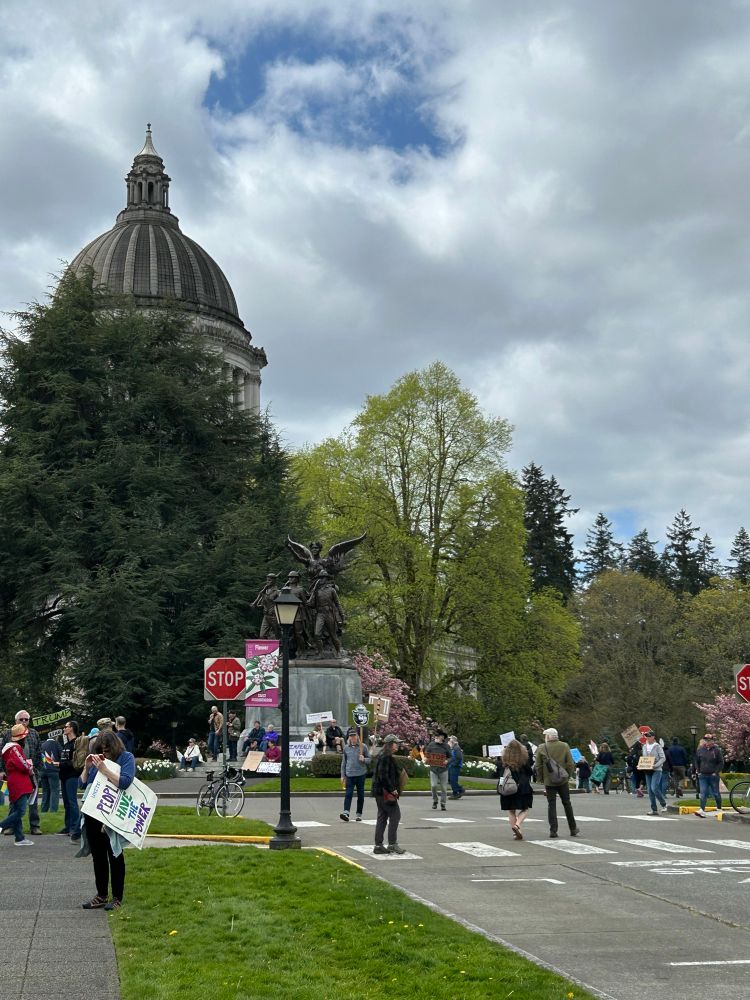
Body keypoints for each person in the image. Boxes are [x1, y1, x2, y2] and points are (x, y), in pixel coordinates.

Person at [79, 729, 135, 910]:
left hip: (113, 813)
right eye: (101, 750)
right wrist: (87, 769)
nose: (104, 753)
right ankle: (101, 894)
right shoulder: (98, 758)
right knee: (98, 855)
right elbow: (83, 783)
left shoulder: (126, 757)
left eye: (107, 750)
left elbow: (125, 782)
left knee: (115, 854)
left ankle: (117, 897)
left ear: (114, 746)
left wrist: (104, 769)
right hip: (94, 812)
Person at [1, 710, 42, 837]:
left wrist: (38, 768)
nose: (24, 721)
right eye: (21, 719)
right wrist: (2, 770)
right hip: (15, 773)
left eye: (26, 719)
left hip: (32, 772)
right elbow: (2, 754)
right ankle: (10, 827)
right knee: (14, 800)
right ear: (16, 721)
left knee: (33, 800)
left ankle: (34, 826)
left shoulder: (34, 733)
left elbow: (39, 751)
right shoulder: (8, 733)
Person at [535, 727, 579, 839]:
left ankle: (553, 830)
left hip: (549, 781)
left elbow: (538, 766)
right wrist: (567, 776)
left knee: (551, 804)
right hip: (563, 780)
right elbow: (570, 763)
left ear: (548, 737)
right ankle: (573, 828)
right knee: (567, 803)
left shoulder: (541, 747)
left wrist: (541, 779)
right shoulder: (564, 746)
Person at [0, 723, 36, 845]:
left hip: (13, 780)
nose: (26, 738)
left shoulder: (8, 748)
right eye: (25, 736)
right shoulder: (15, 748)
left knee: (16, 809)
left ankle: (19, 838)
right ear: (21, 738)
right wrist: (30, 767)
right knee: (20, 811)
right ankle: (1, 826)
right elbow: (22, 764)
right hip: (19, 781)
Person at [371, 734, 405, 854]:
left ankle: (378, 845)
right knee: (395, 815)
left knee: (382, 817)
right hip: (385, 792)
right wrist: (392, 789)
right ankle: (392, 844)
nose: (398, 745)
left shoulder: (383, 755)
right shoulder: (386, 757)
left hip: (379, 792)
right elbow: (383, 776)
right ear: (391, 744)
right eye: (396, 743)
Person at [498, 738, 534, 839]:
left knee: (511, 810)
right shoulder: (523, 759)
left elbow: (499, 772)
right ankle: (517, 825)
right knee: (525, 808)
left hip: (508, 787)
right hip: (522, 787)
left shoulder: (504, 760)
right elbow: (530, 772)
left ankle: (515, 832)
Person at [308, 573, 345, 657]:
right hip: (320, 614)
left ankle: (338, 651)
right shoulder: (317, 591)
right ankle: (321, 653)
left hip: (329, 613)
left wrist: (342, 615)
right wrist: (313, 590)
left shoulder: (332, 590)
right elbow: (311, 604)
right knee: (317, 634)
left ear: (326, 579)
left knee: (333, 635)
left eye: (323, 578)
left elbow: (337, 603)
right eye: (320, 578)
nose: (321, 579)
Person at [340, 729, 371, 822]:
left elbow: (369, 759)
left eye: (354, 736)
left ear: (357, 736)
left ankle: (359, 814)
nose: (353, 738)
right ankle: (346, 812)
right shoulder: (346, 748)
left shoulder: (363, 747)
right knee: (348, 794)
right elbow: (344, 763)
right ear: (349, 737)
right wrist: (342, 775)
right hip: (349, 774)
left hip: (361, 774)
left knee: (360, 795)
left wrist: (364, 759)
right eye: (351, 736)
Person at [694, 733, 724, 818]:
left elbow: (721, 762)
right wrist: (698, 770)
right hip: (703, 775)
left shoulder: (717, 750)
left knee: (716, 793)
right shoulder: (700, 750)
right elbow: (696, 761)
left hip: (713, 775)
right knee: (703, 793)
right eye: (706, 740)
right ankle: (702, 810)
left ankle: (719, 809)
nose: (707, 741)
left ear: (712, 741)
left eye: (709, 740)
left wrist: (716, 772)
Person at [641, 730, 667, 815]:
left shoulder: (657, 746)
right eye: (646, 736)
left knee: (654, 788)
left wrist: (656, 765)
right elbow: (644, 758)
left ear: (653, 737)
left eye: (649, 736)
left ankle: (664, 804)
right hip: (647, 770)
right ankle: (654, 809)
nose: (647, 738)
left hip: (656, 769)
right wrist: (642, 764)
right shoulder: (644, 746)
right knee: (649, 790)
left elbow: (663, 758)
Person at [425, 729, 450, 811]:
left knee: (443, 788)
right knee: (433, 786)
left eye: (439, 736)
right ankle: (435, 800)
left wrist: (447, 761)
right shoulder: (431, 745)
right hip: (433, 769)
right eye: (437, 736)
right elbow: (427, 755)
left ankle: (443, 804)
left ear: (442, 737)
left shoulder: (446, 746)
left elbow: (450, 756)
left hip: (444, 770)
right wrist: (426, 759)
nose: (438, 737)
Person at [40, 734, 61, 813]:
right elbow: (62, 755)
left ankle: (43, 810)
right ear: (56, 737)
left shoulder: (42, 744)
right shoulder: (56, 744)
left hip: (43, 770)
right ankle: (53, 810)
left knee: (45, 791)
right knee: (54, 791)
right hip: (53, 770)